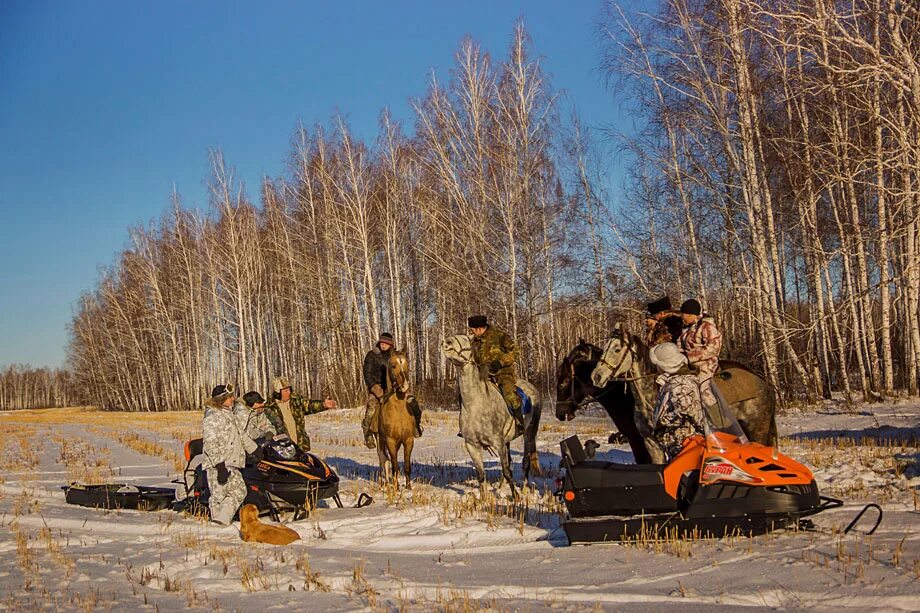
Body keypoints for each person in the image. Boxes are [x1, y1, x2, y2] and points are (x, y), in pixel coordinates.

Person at [202, 383, 260, 525]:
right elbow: (210, 443)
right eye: (230, 396)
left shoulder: (229, 414)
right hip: (218, 465)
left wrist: (255, 450)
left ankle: (221, 521)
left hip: (232, 463)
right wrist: (219, 465)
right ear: (222, 399)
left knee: (239, 491)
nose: (233, 398)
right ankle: (218, 526)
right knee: (219, 496)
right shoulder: (212, 416)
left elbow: (241, 434)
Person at [644, 342, 706, 461]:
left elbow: (688, 410)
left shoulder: (679, 384)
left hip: (683, 443)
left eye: (657, 364)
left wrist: (663, 420)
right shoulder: (673, 382)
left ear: (664, 364)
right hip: (678, 443)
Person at [362, 332, 422, 449]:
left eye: (386, 343)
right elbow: (367, 373)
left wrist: (402, 384)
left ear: (391, 345)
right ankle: (367, 434)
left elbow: (401, 370)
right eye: (382, 343)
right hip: (377, 386)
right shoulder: (372, 355)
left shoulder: (394, 355)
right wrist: (374, 387)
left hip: (394, 387)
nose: (383, 345)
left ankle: (416, 426)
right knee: (371, 409)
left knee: (412, 403)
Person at [469, 314, 524, 435]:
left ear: (479, 329)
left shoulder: (500, 336)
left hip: (503, 374)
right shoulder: (474, 342)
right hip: (483, 376)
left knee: (509, 394)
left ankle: (519, 422)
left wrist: (501, 362)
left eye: (472, 330)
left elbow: (515, 351)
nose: (471, 332)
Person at [263, 376, 337, 451]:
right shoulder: (269, 407)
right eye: (285, 391)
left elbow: (309, 405)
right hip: (283, 447)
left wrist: (323, 404)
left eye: (289, 389)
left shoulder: (296, 401)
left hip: (300, 444)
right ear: (278, 393)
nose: (289, 392)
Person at [677, 299, 723, 408]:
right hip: (688, 363)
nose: (682, 317)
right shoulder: (685, 329)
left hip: (706, 363)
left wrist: (689, 356)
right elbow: (679, 344)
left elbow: (713, 348)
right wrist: (676, 356)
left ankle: (718, 420)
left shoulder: (707, 326)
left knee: (704, 392)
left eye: (683, 314)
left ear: (690, 314)